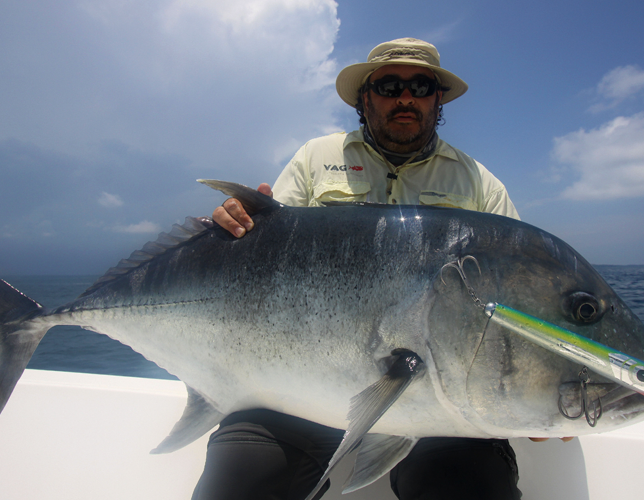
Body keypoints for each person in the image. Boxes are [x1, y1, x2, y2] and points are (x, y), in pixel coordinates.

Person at [200, 38, 550, 500]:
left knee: (468, 487)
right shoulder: (313, 160)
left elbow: (523, 302)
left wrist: (547, 385)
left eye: (420, 85)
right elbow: (261, 259)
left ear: (437, 98)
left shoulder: (479, 184)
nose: (405, 97)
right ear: (365, 98)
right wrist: (235, 222)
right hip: (306, 386)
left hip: (443, 403)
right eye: (389, 85)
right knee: (242, 480)